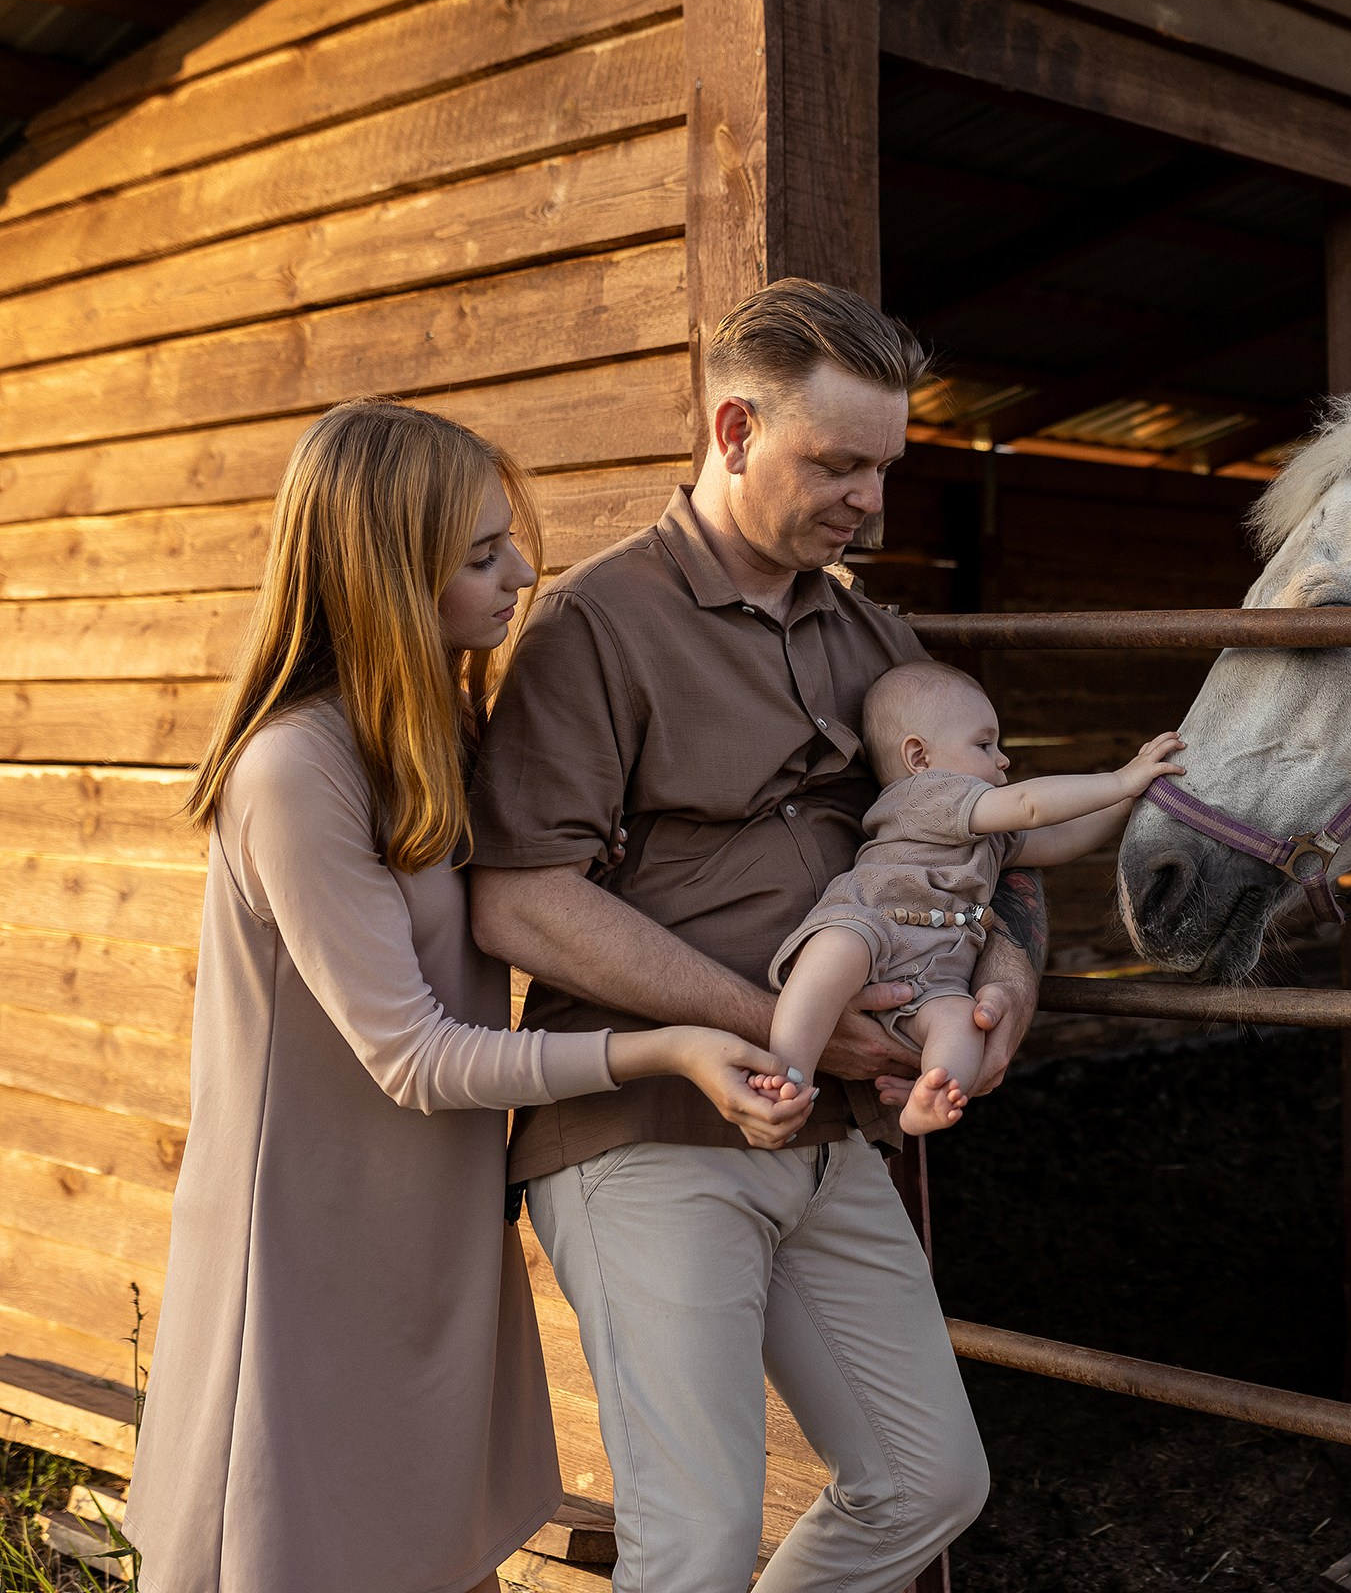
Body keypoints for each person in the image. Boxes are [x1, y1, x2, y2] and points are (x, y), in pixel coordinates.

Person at [124, 401, 804, 1593]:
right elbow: (415, 1056)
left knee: (431, 1551)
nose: (521, 571)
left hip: (429, 1223)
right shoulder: (295, 765)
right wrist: (664, 1047)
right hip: (308, 1246)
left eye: (511, 542)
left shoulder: (443, 719)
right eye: (481, 553)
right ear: (385, 569)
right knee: (315, 1549)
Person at [468, 281, 1034, 1592]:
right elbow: (519, 899)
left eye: (885, 468)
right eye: (837, 463)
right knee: (698, 1539)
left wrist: (1001, 994)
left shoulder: (878, 639)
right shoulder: (596, 626)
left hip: (832, 1141)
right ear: (733, 430)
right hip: (647, 1134)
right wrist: (779, 1020)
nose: (871, 503)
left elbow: (987, 841)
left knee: (927, 1480)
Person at [764, 661, 1183, 1133]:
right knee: (833, 954)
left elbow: (1059, 839)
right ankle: (787, 1071)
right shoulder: (927, 794)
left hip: (938, 965)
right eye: (984, 745)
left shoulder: (988, 834)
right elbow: (1030, 806)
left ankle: (933, 1093)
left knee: (962, 1021)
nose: (1002, 759)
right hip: (873, 922)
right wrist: (1121, 780)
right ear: (919, 757)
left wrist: (1126, 804)